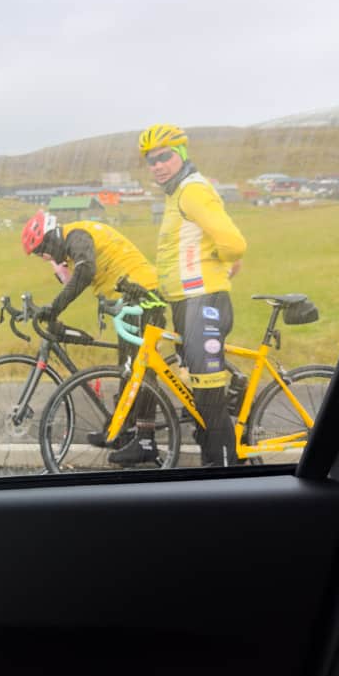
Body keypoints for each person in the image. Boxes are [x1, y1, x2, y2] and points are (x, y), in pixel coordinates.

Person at [138, 123, 247, 467]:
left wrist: (220, 265)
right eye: (150, 160)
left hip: (204, 303)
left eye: (164, 156)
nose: (157, 165)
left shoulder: (191, 191)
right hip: (188, 304)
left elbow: (234, 243)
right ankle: (214, 471)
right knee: (202, 397)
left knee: (210, 400)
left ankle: (224, 477)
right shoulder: (176, 193)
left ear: (182, 154)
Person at [21, 211, 165, 466]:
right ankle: (125, 432)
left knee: (139, 371)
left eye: (42, 249)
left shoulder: (76, 236)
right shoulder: (70, 243)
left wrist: (54, 308)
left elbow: (85, 271)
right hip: (131, 298)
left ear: (52, 236)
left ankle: (145, 441)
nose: (44, 256)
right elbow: (72, 277)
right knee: (128, 369)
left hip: (142, 295)